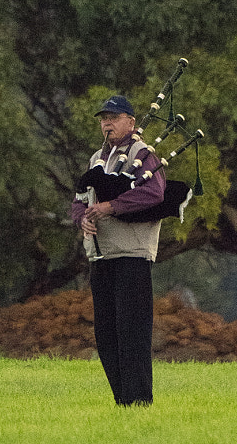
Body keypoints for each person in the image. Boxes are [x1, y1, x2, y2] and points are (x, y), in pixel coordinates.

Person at [71, 94, 166, 406]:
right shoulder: (96, 158)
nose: (107, 122)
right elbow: (80, 197)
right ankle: (123, 401)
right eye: (103, 118)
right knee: (107, 335)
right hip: (102, 256)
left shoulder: (144, 155)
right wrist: (82, 218)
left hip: (132, 255)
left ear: (131, 122)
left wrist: (112, 205)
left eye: (113, 117)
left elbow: (154, 193)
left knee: (132, 333)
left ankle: (139, 401)